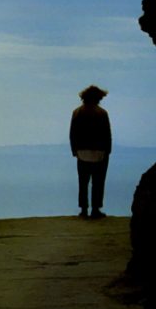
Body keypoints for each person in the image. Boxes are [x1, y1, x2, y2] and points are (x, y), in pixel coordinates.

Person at [70, 85, 112, 219]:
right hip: (100, 152)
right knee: (98, 182)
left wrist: (74, 150)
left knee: (83, 182)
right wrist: (108, 151)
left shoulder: (77, 112)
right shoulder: (102, 113)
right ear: (98, 98)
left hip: (82, 152)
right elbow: (107, 134)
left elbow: (73, 133)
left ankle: (83, 210)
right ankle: (95, 209)